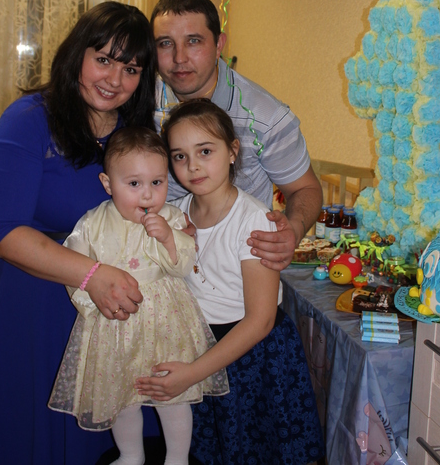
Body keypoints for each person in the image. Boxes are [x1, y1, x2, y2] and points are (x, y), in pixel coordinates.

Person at [0, 2, 157, 465]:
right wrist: (92, 275)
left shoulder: (136, 132)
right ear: (77, 54)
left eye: (131, 68)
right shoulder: (29, 118)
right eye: (104, 59)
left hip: (114, 309)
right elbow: (5, 232)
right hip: (37, 303)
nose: (114, 79)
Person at [136, 99, 324, 465]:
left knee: (253, 450)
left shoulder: (254, 221)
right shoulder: (176, 215)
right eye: (179, 156)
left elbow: (260, 320)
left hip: (252, 357)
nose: (192, 166)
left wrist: (192, 374)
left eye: (205, 151)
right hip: (201, 347)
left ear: (233, 151)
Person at [49, 126, 228, 465]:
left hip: (166, 321)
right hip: (116, 323)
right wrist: (93, 307)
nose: (147, 195)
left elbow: (184, 266)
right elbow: (75, 270)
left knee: (172, 395)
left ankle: (177, 457)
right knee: (123, 398)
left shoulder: (172, 217)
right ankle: (131, 455)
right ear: (108, 184)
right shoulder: (92, 223)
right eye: (134, 184)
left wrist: (169, 239)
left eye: (157, 182)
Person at [150, 0, 323, 270]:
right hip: (157, 267)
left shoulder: (265, 117)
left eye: (193, 41)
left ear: (219, 44)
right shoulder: (138, 102)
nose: (179, 58)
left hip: (237, 273)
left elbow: (305, 188)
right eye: (165, 43)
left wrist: (293, 229)